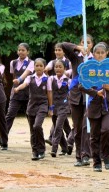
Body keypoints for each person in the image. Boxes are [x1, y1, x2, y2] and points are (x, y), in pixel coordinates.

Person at [79, 43, 109, 172]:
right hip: (94, 105)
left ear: (106, 54)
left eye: (102, 53)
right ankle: (96, 162)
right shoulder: (89, 68)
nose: (100, 55)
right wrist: (95, 92)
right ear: (93, 54)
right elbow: (81, 86)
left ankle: (106, 157)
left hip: (108, 104)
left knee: (107, 129)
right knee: (94, 135)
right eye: (97, 53)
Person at [61, 35, 93, 167]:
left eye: (88, 43)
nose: (86, 45)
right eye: (83, 42)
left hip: (90, 96)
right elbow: (63, 44)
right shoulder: (75, 58)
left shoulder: (95, 59)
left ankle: (86, 155)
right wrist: (78, 48)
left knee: (87, 126)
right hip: (75, 96)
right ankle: (79, 156)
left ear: (92, 45)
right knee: (77, 127)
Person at [14, 58, 52, 160]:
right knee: (32, 130)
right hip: (31, 105)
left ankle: (42, 149)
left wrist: (51, 107)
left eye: (41, 66)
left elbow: (49, 92)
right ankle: (35, 151)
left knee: (37, 126)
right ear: (34, 67)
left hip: (42, 105)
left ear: (44, 67)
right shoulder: (30, 78)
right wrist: (17, 88)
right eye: (37, 66)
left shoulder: (47, 79)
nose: (38, 68)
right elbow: (24, 84)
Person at [44, 43, 73, 148]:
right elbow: (46, 69)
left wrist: (65, 73)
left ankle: (54, 142)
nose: (57, 52)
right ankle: (68, 142)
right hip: (56, 97)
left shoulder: (69, 62)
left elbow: (72, 71)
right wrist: (46, 72)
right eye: (56, 50)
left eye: (59, 50)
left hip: (65, 96)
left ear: (64, 51)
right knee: (63, 123)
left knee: (59, 122)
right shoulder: (53, 62)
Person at [5, 43, 34, 134]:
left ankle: (35, 138)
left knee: (30, 116)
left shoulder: (31, 62)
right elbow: (13, 74)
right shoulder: (13, 62)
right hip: (16, 92)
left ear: (28, 52)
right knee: (10, 115)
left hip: (28, 92)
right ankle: (3, 138)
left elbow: (27, 72)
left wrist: (19, 79)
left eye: (23, 50)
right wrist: (16, 83)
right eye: (19, 50)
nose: (20, 52)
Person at [49, 59, 72, 157]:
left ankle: (54, 149)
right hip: (54, 106)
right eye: (56, 67)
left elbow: (71, 94)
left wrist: (70, 105)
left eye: (60, 67)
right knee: (65, 127)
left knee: (58, 127)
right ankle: (66, 147)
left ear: (64, 68)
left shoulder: (68, 80)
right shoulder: (51, 79)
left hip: (64, 106)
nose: (58, 69)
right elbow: (49, 92)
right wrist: (50, 107)